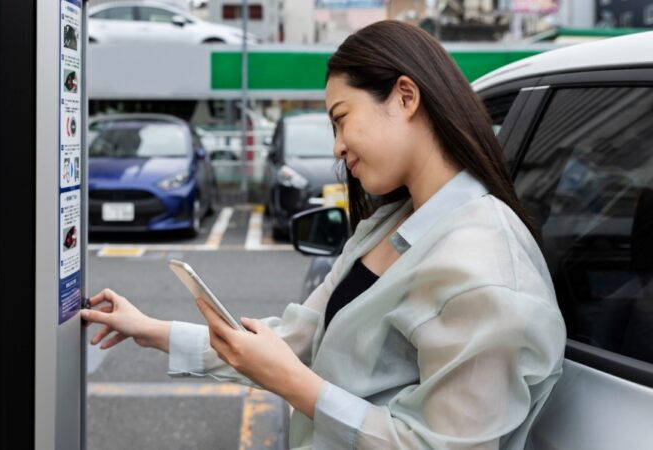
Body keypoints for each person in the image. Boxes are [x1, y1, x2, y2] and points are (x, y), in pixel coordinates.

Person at [81, 21, 566, 449]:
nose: (337, 146)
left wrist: (296, 386)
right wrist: (150, 330)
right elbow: (297, 339)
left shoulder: (485, 267)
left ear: (405, 97)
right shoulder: (391, 223)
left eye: (341, 118)